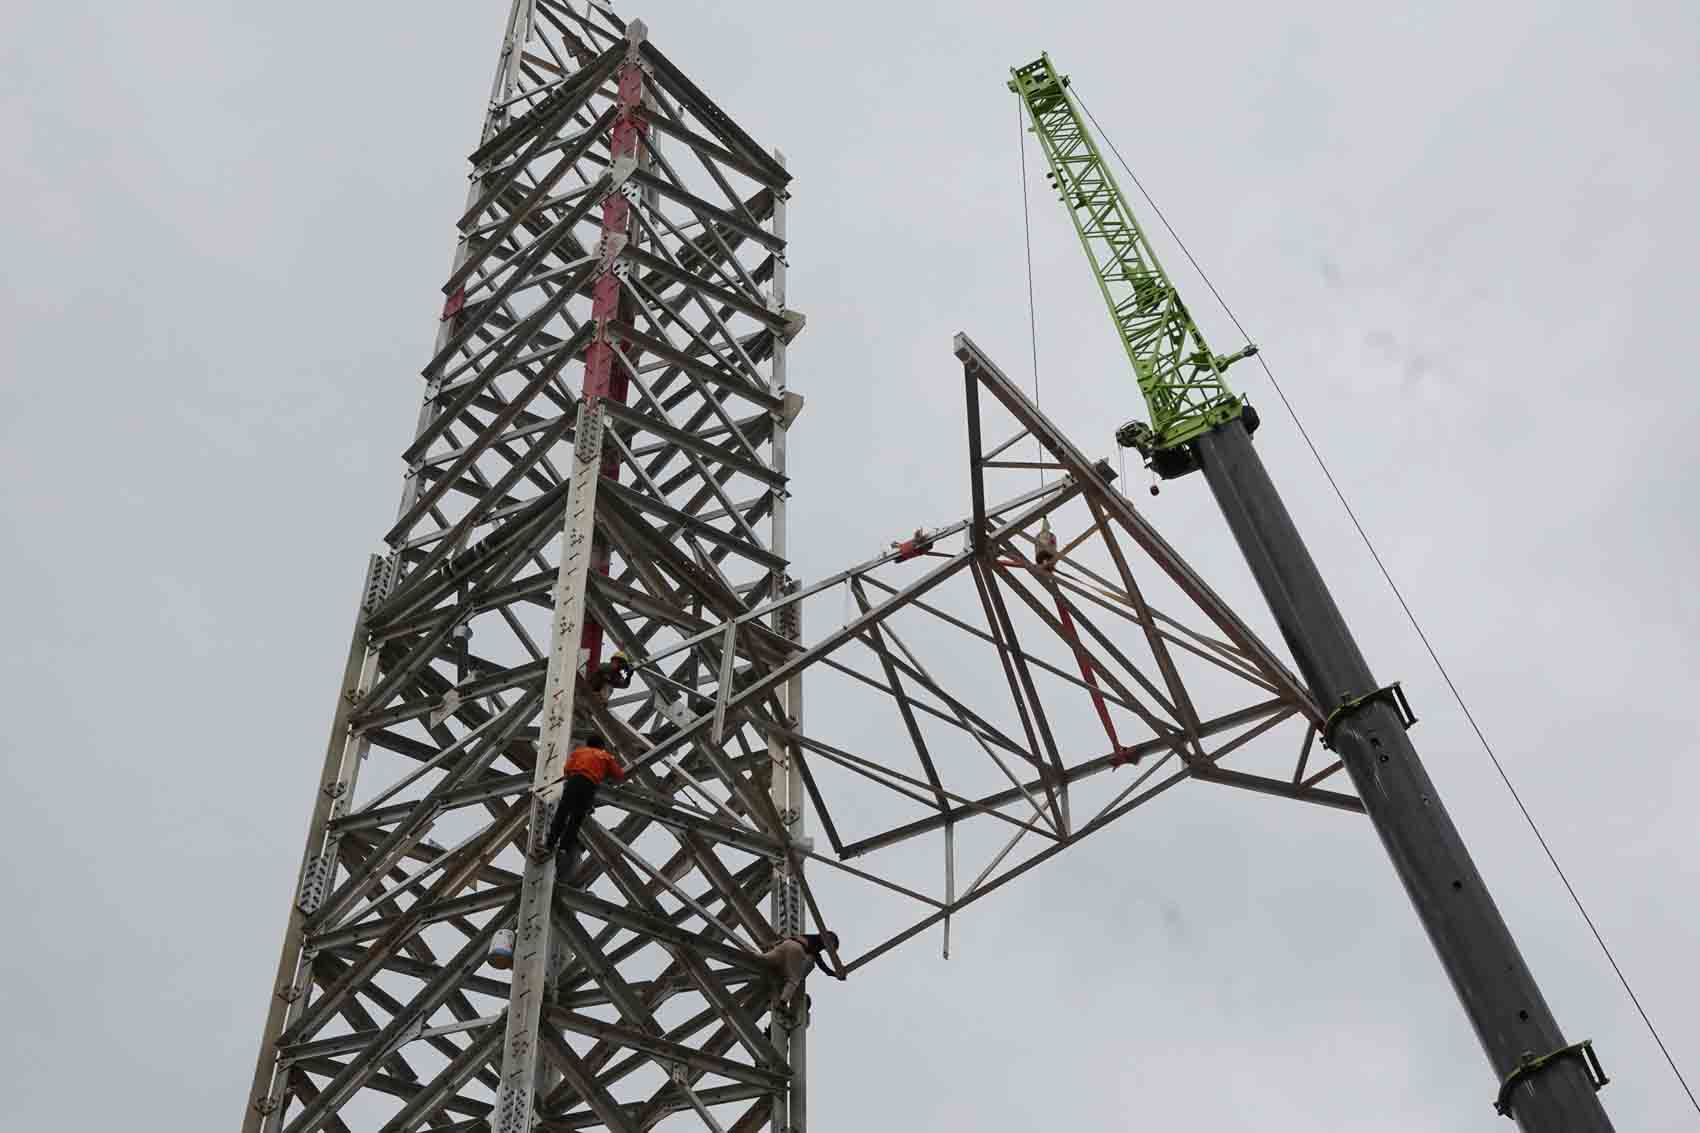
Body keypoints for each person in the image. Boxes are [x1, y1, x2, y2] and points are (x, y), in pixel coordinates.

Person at [540, 733, 625, 864]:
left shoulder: (579, 752)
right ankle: (563, 848)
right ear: (602, 746)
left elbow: (567, 769)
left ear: (587, 744)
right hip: (589, 785)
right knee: (576, 818)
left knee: (562, 812)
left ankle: (549, 845)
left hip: (574, 781)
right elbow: (619, 775)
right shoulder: (605, 756)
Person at [759, 930, 845, 1017]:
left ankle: (748, 956)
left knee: (764, 960)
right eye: (832, 947)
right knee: (794, 979)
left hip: (786, 944)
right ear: (830, 941)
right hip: (797, 949)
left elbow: (789, 939)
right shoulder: (818, 945)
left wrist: (773, 945)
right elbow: (822, 966)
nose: (829, 950)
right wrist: (835, 974)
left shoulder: (810, 936)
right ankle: (782, 1003)